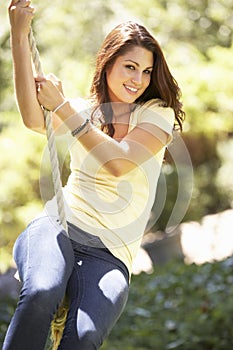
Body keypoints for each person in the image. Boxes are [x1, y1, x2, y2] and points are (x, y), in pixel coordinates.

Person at [4, 0, 185, 349]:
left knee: (83, 337)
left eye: (146, 72)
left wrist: (62, 107)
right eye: (130, 67)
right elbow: (30, 117)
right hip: (59, 227)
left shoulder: (155, 115)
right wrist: (19, 34)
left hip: (111, 253)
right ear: (108, 64)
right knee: (42, 292)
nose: (138, 79)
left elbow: (119, 161)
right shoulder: (85, 111)